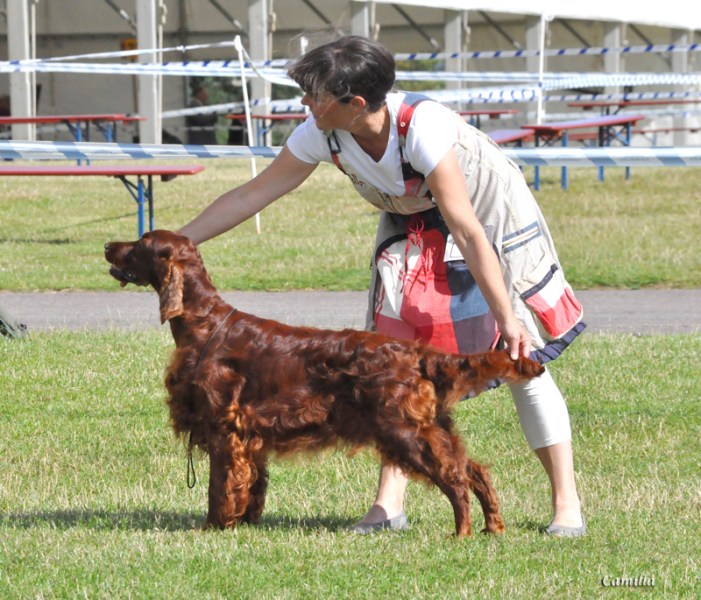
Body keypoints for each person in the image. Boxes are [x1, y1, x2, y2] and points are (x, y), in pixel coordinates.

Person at [178, 35, 587, 538]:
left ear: (354, 104)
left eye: (314, 94)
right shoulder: (322, 131)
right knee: (389, 363)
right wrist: (175, 243)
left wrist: (507, 317)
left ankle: (566, 505)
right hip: (411, 218)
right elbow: (254, 193)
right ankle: (388, 506)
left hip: (486, 218)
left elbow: (467, 229)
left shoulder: (423, 128)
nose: (304, 102)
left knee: (523, 354)